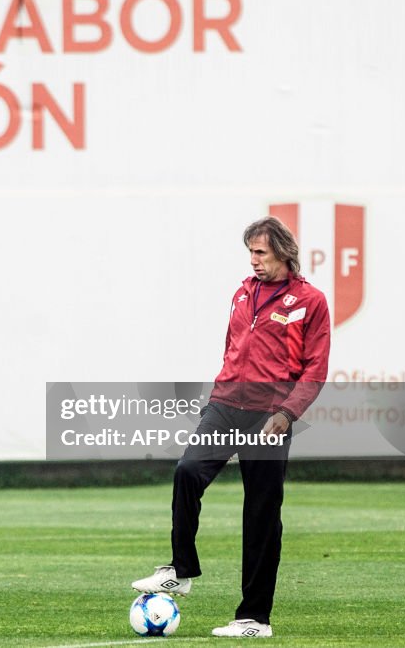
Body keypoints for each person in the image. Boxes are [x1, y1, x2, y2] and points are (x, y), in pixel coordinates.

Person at [132, 216, 331, 638]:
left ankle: (254, 619)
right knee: (187, 470)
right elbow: (232, 348)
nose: (254, 261)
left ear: (283, 252)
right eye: (251, 253)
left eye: (260, 252)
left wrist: (286, 414)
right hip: (225, 405)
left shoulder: (310, 301)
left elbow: (315, 370)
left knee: (260, 515)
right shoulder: (243, 292)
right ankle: (180, 570)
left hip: (269, 416)